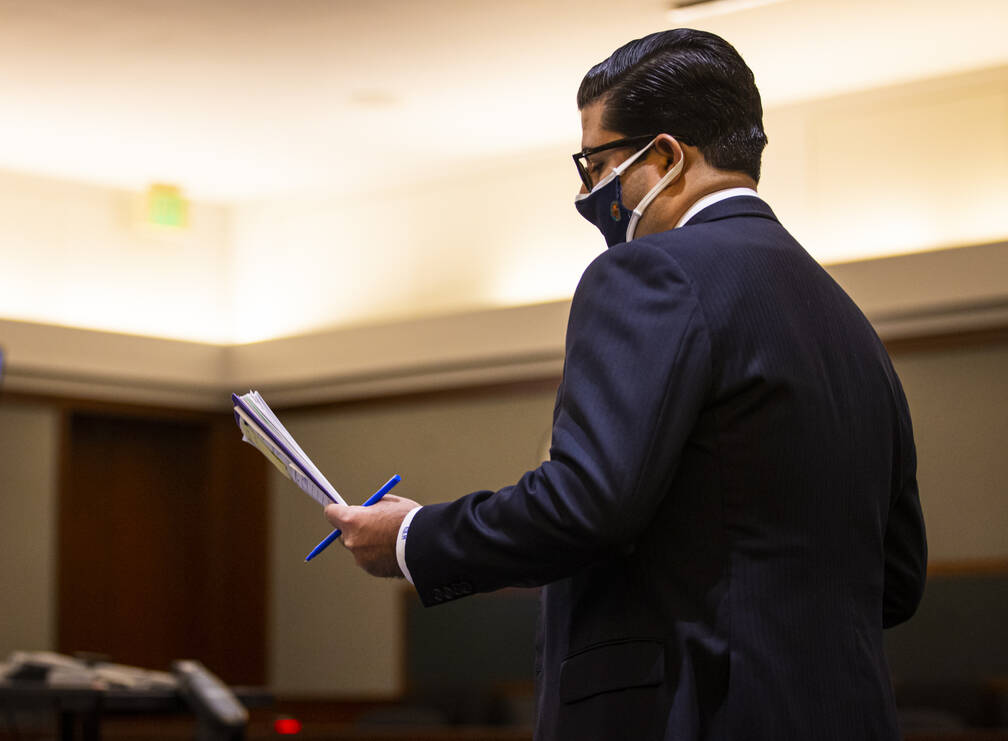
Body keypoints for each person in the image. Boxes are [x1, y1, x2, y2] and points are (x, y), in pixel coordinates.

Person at [324, 28, 927, 740]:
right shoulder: (848, 320)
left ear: (667, 156)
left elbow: (586, 504)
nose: (587, 193)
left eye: (596, 164)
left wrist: (414, 537)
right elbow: (897, 574)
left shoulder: (651, 270)